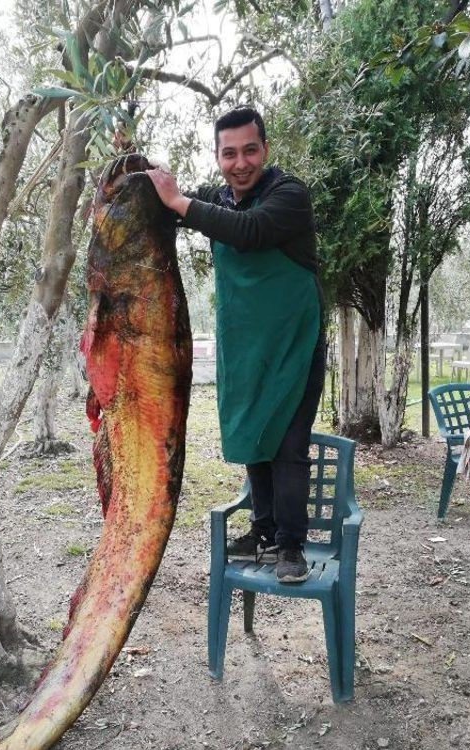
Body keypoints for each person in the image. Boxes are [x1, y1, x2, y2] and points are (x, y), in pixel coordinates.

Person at [148, 105, 325, 583]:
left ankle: (291, 546)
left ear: (264, 149)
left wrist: (181, 203)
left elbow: (250, 233)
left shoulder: (289, 196)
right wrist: (134, 171)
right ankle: (263, 531)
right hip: (245, 348)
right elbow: (169, 204)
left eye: (250, 150)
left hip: (293, 345)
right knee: (253, 435)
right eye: (230, 154)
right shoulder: (220, 200)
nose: (240, 162)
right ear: (218, 156)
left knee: (287, 445)